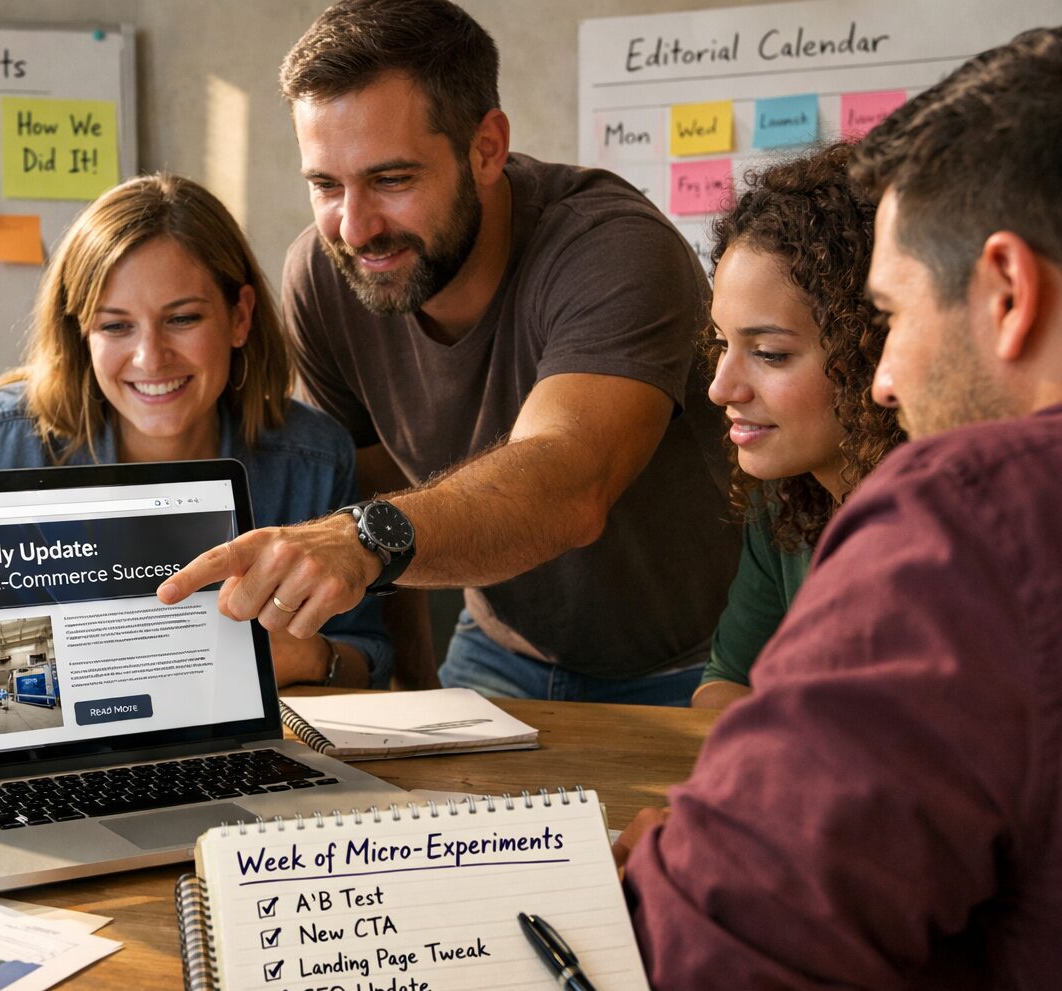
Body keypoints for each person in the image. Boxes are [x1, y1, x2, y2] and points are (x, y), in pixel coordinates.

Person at [617, 27, 1062, 991]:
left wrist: (695, 857)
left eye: (893, 317)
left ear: (1009, 291)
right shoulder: (797, 509)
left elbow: (708, 966)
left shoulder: (971, 520)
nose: (890, 379)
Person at [158, 0, 739, 705]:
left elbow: (569, 482)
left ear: (486, 147)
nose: (355, 226)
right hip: (500, 648)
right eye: (325, 185)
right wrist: (413, 689)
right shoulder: (325, 273)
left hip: (705, 662)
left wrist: (361, 538)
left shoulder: (613, 248)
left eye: (392, 179)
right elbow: (380, 494)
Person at [0, 173, 392, 689]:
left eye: (183, 318)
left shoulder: (310, 458)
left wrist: (306, 659)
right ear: (80, 335)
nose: (150, 359)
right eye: (115, 326)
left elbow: (367, 652)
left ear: (239, 316)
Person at [691, 144, 904, 712]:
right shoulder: (789, 495)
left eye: (768, 353)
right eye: (720, 344)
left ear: (871, 348)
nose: (720, 387)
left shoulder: (942, 523)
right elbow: (726, 681)